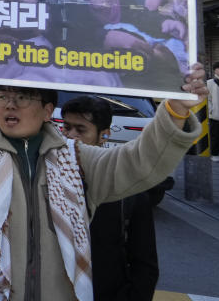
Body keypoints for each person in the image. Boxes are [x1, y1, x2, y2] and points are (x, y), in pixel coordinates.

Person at [0, 42, 205, 301]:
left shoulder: (78, 160)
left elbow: (140, 164)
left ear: (47, 110)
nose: (9, 104)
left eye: (24, 96)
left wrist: (175, 111)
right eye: (3, 95)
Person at [61, 95, 159, 301]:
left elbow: (145, 264)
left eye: (81, 130)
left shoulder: (127, 190)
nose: (71, 136)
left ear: (103, 135)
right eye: (66, 128)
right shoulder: (48, 180)